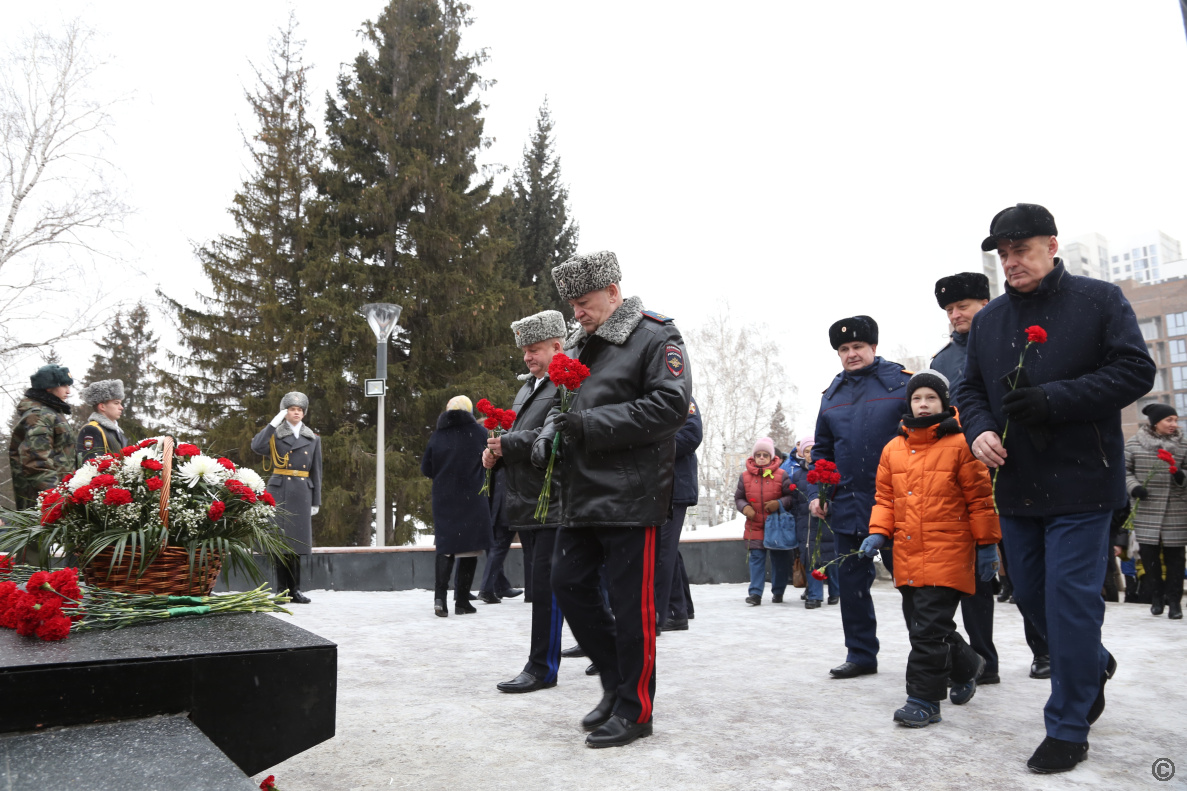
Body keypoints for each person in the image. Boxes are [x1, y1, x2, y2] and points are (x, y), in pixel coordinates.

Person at [957, 203, 1156, 773]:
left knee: (1070, 602)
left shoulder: (1099, 300)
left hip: (1082, 481)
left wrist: (1054, 399)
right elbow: (970, 390)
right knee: (1037, 603)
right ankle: (1089, 663)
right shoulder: (991, 320)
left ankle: (1067, 724)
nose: (1011, 261)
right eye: (1002, 253)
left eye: (1020, 249)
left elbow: (1133, 370)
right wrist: (979, 430)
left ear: (1052, 244)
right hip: (1016, 483)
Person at [532, 250, 691, 748]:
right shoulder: (582, 344)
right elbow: (566, 405)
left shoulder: (655, 336)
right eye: (572, 305)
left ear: (613, 294)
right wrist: (548, 435)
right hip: (580, 493)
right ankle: (614, 683)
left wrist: (587, 425)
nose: (576, 313)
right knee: (568, 582)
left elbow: (670, 406)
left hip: (632, 493)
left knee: (631, 605)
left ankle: (635, 709)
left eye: (583, 303)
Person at [862, 370, 1002, 727]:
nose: (923, 405)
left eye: (931, 398)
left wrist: (987, 545)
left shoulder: (961, 444)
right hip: (907, 552)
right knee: (923, 625)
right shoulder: (893, 448)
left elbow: (980, 500)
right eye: (917, 399)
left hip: (950, 549)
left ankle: (924, 699)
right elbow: (884, 499)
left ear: (944, 403)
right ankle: (969, 664)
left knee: (926, 629)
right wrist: (879, 532)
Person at [808, 316, 908, 679]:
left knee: (912, 587)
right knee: (852, 587)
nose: (851, 354)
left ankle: (931, 654)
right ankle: (861, 653)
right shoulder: (831, 396)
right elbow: (822, 450)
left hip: (897, 505)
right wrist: (817, 492)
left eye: (858, 347)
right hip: (847, 505)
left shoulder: (902, 385)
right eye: (844, 349)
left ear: (874, 348)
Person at [487, 310, 568, 692]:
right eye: (523, 351)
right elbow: (520, 432)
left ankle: (542, 668)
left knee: (549, 590)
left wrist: (507, 444)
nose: (527, 357)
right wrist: (493, 452)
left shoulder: (566, 384)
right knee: (548, 588)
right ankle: (607, 651)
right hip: (528, 500)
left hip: (552, 502)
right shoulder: (530, 386)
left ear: (558, 346)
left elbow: (548, 433)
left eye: (534, 349)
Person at [930, 273, 1001, 686]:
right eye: (950, 310)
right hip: (963, 472)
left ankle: (1044, 648)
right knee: (972, 572)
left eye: (964, 306)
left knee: (1025, 574)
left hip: (1012, 465)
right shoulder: (942, 362)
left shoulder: (1009, 340)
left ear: (985, 304)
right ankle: (981, 658)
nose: (956, 315)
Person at [420, 395, 493, 617]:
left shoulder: (438, 436)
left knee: (446, 547)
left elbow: (426, 468)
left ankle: (440, 600)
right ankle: (462, 601)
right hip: (472, 497)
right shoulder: (480, 433)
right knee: (470, 547)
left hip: (445, 498)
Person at [251, 392, 323, 604]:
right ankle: (281, 590)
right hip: (280, 490)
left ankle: (295, 590)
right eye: (292, 409)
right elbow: (256, 446)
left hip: (302, 492)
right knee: (280, 544)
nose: (297, 413)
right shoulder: (275, 435)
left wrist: (316, 500)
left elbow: (316, 471)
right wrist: (273, 424)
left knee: (297, 545)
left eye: (300, 410)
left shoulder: (313, 438)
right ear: (285, 412)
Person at [1124, 403, 1187, 620]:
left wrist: (1180, 475)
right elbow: (1123, 472)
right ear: (1155, 423)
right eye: (1169, 420)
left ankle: (1175, 602)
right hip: (1146, 508)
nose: (1174, 424)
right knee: (1150, 559)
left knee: (1176, 559)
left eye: (1175, 420)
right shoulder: (1134, 444)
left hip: (1176, 509)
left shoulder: (1184, 444)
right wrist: (1134, 487)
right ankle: (1157, 597)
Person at [656, 395, 702, 631]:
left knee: (662, 552)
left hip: (674, 486)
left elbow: (692, 436)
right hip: (657, 487)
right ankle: (679, 609)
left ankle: (659, 614)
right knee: (666, 550)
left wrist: (652, 445)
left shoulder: (683, 398)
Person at [735, 437, 797, 605]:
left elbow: (790, 497)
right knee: (756, 559)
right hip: (754, 525)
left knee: (779, 560)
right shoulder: (745, 476)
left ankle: (778, 591)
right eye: (758, 455)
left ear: (771, 457)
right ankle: (755, 593)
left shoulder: (782, 475)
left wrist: (779, 503)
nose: (761, 457)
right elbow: (739, 498)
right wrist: (745, 508)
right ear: (754, 457)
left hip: (776, 525)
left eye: (765, 455)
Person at [8, 365, 75, 510]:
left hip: (60, 495)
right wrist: (54, 499)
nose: (68, 391)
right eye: (63, 385)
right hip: (44, 504)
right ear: (48, 387)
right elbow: (37, 462)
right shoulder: (39, 415)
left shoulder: (52, 413)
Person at [789, 436, 838, 608]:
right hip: (807, 526)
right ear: (802, 453)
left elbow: (837, 497)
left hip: (826, 524)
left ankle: (835, 592)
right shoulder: (797, 476)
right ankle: (815, 595)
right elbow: (794, 503)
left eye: (813, 451)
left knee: (830, 561)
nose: (810, 455)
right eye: (807, 451)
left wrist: (828, 508)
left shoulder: (830, 473)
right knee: (812, 560)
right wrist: (797, 521)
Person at [76, 379, 128, 464]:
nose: (121, 407)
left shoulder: (115, 431)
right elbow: (89, 468)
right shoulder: (92, 430)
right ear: (102, 406)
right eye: (116, 403)